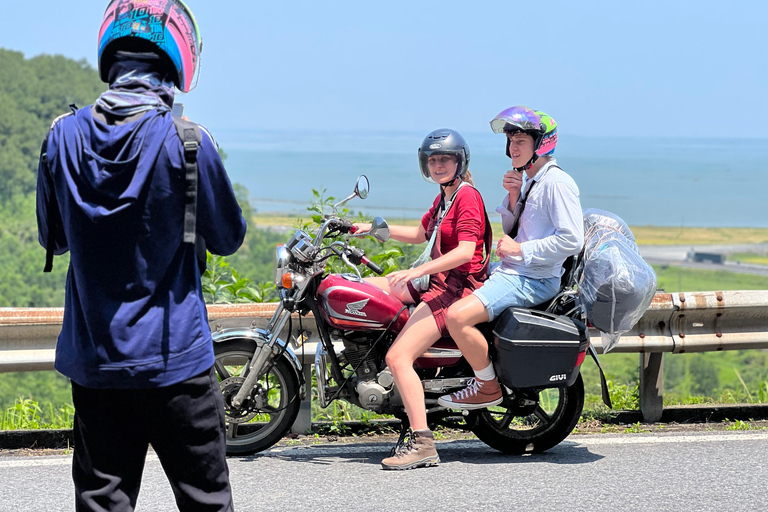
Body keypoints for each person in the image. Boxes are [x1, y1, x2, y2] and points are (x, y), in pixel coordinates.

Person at [36, 1, 245, 510]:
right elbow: (227, 238)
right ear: (178, 60)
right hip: (178, 364)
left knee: (102, 502)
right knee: (206, 501)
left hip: (98, 365)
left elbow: (54, 238)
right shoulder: (190, 141)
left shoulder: (61, 137)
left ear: (109, 54)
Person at [354, 129, 491, 470]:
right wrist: (368, 228)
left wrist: (416, 272)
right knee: (365, 289)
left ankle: (423, 443)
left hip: (454, 290)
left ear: (460, 161)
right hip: (437, 281)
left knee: (398, 357)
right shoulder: (446, 196)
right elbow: (420, 234)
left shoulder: (467, 197)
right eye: (432, 159)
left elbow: (465, 252)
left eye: (445, 158)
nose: (438, 165)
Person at [437, 106, 584, 410]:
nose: (512, 148)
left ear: (540, 144)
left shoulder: (557, 183)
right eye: (510, 142)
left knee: (456, 316)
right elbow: (513, 229)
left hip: (532, 278)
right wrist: (515, 198)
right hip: (514, 270)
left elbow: (573, 239)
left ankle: (487, 387)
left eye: (520, 142)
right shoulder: (531, 179)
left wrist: (521, 250)